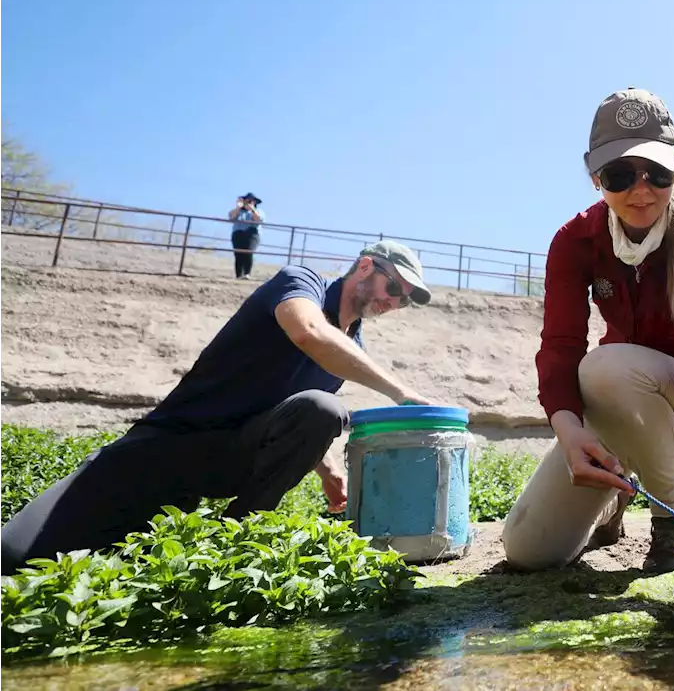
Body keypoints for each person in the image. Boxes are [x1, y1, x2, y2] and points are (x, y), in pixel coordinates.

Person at [0, 240, 436, 574]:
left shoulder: (350, 348)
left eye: (404, 300)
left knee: (324, 408)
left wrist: (328, 469)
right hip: (160, 451)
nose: (394, 301)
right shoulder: (299, 282)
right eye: (393, 286)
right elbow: (308, 332)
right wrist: (400, 392)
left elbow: (301, 409)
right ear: (365, 267)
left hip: (224, 463)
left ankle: (236, 542)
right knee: (12, 556)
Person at [501, 87, 674, 573]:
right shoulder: (573, 241)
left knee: (606, 367)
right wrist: (569, 429)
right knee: (528, 550)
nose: (641, 191)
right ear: (593, 175)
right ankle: (616, 500)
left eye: (658, 173)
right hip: (615, 401)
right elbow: (559, 347)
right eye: (619, 175)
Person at [229, 192, 264, 279]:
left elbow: (258, 220)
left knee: (249, 252)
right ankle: (238, 275)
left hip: (252, 234)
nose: (248, 202)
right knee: (238, 254)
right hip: (238, 234)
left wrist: (252, 209)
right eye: (247, 200)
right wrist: (238, 207)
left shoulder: (258, 211)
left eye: (251, 201)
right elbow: (231, 217)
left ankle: (247, 273)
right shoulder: (238, 211)